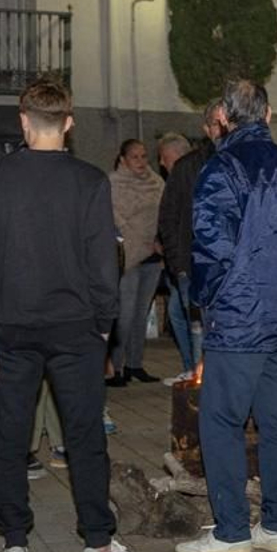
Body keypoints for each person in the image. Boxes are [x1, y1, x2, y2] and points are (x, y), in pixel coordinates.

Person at [0, 80, 148, 552]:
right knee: (85, 437)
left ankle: (15, 545)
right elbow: (102, 261)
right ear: (68, 123)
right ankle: (98, 546)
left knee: (9, 436)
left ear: (23, 121)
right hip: (75, 330)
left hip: (9, 327)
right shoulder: (89, 181)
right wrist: (103, 327)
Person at [176, 80, 277, 552]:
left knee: (220, 420)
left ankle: (232, 529)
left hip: (239, 318)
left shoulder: (223, 167)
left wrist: (210, 300)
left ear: (223, 116)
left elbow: (211, 247)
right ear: (268, 113)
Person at [157, 100, 227, 385]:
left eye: (225, 123)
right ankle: (202, 390)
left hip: (229, 267)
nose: (221, 129)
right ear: (206, 128)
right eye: (215, 124)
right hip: (193, 265)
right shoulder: (187, 167)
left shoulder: (239, 162)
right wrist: (179, 266)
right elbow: (169, 218)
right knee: (197, 327)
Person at [108, 139, 165, 386]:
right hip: (127, 256)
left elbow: (164, 214)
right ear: (123, 159)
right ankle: (116, 367)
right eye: (135, 157)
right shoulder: (112, 184)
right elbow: (114, 218)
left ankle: (135, 363)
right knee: (125, 314)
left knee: (141, 314)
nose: (141, 162)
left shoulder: (158, 184)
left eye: (144, 157)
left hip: (152, 256)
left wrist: (159, 239)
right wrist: (138, 237)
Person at [153, 133, 197, 379]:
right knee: (178, 313)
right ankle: (191, 367)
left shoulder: (184, 176)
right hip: (181, 261)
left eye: (164, 158)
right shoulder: (184, 175)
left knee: (190, 318)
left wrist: (176, 259)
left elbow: (173, 220)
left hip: (187, 263)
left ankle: (195, 370)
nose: (161, 163)